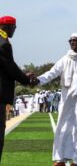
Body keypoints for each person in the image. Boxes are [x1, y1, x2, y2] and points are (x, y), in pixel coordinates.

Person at [35, 33, 77, 166]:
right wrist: (37, 80)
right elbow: (52, 73)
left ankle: (76, 160)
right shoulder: (64, 59)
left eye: (75, 41)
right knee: (62, 127)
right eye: (71, 41)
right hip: (66, 99)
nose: (73, 43)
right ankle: (61, 158)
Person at [0, 15, 36, 162]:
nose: (14, 29)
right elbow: (10, 68)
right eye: (13, 27)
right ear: (6, 27)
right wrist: (27, 79)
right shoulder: (3, 44)